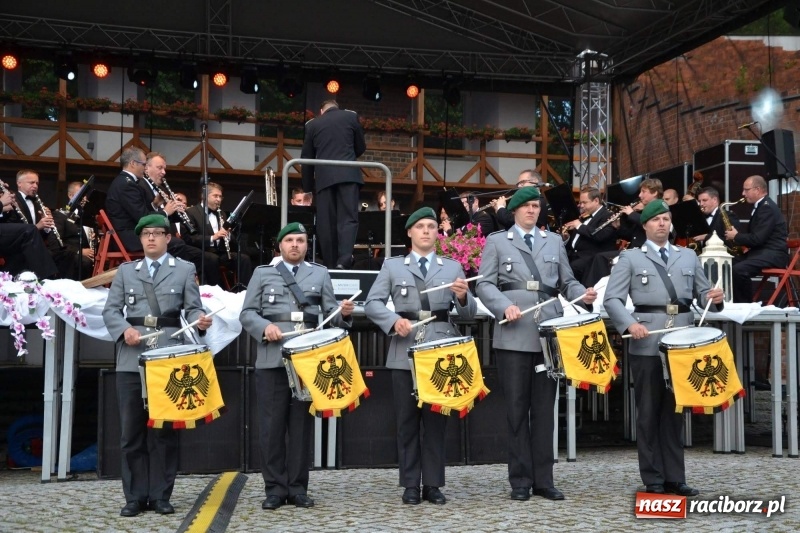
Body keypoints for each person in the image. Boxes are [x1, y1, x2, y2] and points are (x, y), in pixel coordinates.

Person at [476, 187, 596, 502]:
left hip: (547, 334)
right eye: (526, 206)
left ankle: (544, 479)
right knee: (516, 409)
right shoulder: (498, 241)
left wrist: (582, 293)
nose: (532, 211)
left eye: (535, 206)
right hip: (514, 333)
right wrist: (503, 306)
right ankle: (519, 480)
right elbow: (485, 283)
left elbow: (566, 281)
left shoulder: (553, 241)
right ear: (513, 210)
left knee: (544, 410)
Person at [604, 200, 724, 496]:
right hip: (646, 341)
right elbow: (612, 300)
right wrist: (629, 324)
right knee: (648, 411)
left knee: (674, 412)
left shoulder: (687, 256)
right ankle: (653, 477)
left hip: (681, 343)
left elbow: (702, 295)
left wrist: (716, 297)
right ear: (644, 225)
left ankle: (675, 476)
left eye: (666, 218)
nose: (662, 223)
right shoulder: (630, 258)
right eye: (656, 219)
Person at [101, 214, 212, 517]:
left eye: (157, 233)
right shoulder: (126, 271)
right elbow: (111, 310)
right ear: (140, 239)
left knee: (164, 430)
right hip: (131, 358)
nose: (151, 238)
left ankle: (161, 494)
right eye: (145, 234)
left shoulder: (184, 269)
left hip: (167, 359)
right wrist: (124, 330)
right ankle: (135, 497)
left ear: (167, 237)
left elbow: (192, 308)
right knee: (131, 432)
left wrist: (199, 322)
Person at [365, 207, 477, 505]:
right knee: (406, 420)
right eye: (421, 227)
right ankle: (411, 484)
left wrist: (464, 296)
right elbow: (372, 303)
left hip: (440, 350)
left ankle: (434, 484)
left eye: (431, 227)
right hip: (405, 348)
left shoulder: (452, 267)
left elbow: (469, 313)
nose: (427, 231)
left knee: (436, 420)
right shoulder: (393, 266)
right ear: (410, 233)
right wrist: (392, 321)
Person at [240, 222, 354, 510]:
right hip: (272, 360)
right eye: (289, 240)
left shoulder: (320, 273)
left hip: (306, 361)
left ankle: (298, 487)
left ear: (307, 244)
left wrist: (344, 314)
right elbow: (247, 313)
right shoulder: (262, 273)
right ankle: (275, 489)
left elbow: (331, 315)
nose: (295, 245)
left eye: (300, 240)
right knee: (271, 428)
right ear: (280, 245)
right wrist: (265, 327)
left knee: (301, 428)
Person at [105, 148, 203, 275]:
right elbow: (142, 218)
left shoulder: (125, 182)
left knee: (183, 247)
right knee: (176, 244)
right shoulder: (127, 184)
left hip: (130, 234)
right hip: (129, 238)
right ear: (133, 163)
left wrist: (155, 204)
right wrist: (166, 212)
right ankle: (171, 282)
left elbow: (139, 213)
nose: (144, 168)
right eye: (143, 164)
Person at [301, 99, 367, 269]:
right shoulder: (351, 117)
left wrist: (308, 188)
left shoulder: (312, 125)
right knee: (348, 219)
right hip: (348, 175)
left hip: (324, 179)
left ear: (321, 111)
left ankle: (330, 264)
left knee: (326, 222)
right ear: (338, 107)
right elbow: (360, 148)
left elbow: (306, 159)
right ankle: (344, 259)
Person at [582, 177, 663, 287]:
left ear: (655, 193)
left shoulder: (661, 208)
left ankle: (592, 291)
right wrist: (618, 226)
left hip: (646, 253)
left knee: (600, 258)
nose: (640, 195)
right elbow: (631, 235)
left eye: (644, 192)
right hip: (633, 251)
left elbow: (651, 226)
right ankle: (587, 290)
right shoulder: (643, 210)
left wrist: (631, 214)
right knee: (596, 258)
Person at [725, 175, 789, 303]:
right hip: (761, 252)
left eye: (746, 190)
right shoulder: (762, 206)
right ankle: (736, 302)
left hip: (772, 254)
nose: (743, 193)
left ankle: (744, 305)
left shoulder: (767, 208)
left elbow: (758, 238)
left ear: (758, 190)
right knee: (729, 264)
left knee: (739, 269)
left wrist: (736, 236)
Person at [184, 182, 253, 287]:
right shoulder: (191, 212)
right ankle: (215, 291)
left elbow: (231, 238)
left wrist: (228, 235)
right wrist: (213, 237)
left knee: (243, 259)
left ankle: (245, 291)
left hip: (220, 252)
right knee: (212, 259)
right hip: (202, 252)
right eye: (215, 196)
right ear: (204, 196)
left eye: (220, 196)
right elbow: (190, 238)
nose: (219, 200)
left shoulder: (222, 213)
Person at [0, 181, 59, 279]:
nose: (35, 186)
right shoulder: (17, 197)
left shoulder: (36, 203)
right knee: (29, 231)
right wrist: (1, 203)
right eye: (31, 182)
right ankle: (48, 279)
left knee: (59, 253)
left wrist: (5, 209)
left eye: (37, 183)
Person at [561, 186, 617, 282]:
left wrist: (579, 226)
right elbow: (579, 238)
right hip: (574, 256)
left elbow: (600, 236)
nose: (581, 206)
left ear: (596, 201)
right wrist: (567, 237)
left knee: (570, 269)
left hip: (592, 259)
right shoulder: (584, 216)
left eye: (584, 202)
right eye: (580, 202)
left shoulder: (608, 215)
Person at [46, 181, 95, 280]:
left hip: (90, 254)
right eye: (81, 195)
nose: (84, 199)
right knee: (84, 262)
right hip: (70, 256)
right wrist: (79, 251)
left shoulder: (88, 216)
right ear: (70, 195)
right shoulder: (60, 215)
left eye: (85, 196)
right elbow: (55, 243)